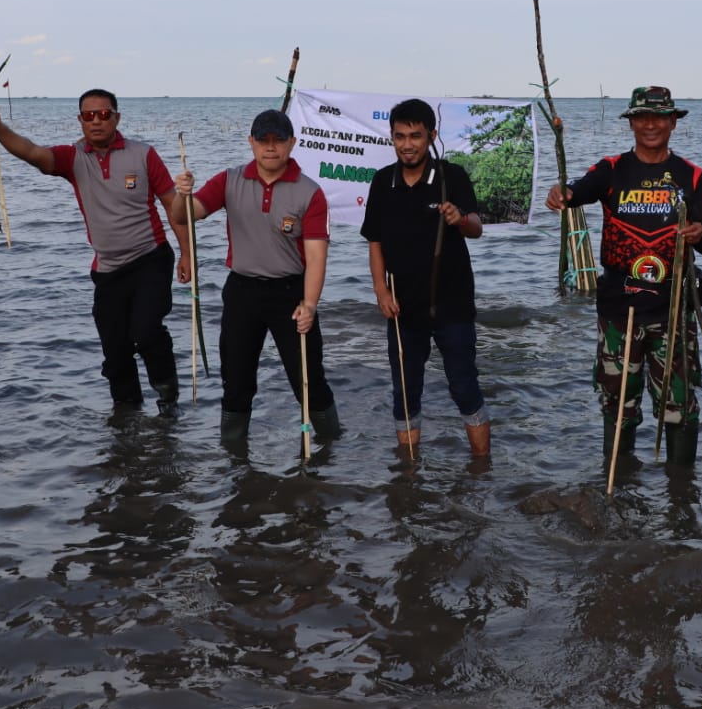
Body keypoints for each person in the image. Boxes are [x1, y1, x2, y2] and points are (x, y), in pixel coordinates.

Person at [0, 89, 186, 415]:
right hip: (108, 271)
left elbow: (173, 204)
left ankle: (168, 398)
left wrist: (187, 253)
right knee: (115, 349)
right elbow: (32, 152)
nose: (96, 121)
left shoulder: (143, 154)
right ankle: (126, 415)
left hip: (151, 258)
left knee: (146, 332)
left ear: (116, 117)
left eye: (104, 114)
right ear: (80, 120)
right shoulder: (73, 158)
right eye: (89, 116)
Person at [544, 85, 702, 466]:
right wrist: (560, 192)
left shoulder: (692, 176)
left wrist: (699, 233)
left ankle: (681, 488)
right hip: (618, 311)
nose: (650, 125)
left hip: (672, 310)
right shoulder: (611, 169)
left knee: (678, 405)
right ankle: (619, 481)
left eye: (659, 118)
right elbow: (576, 191)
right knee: (617, 402)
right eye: (642, 118)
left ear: (673, 123)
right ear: (631, 123)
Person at [174, 109, 340, 443]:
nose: (271, 147)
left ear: (292, 143)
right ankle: (234, 458)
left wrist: (309, 304)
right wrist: (182, 194)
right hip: (242, 292)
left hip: (291, 294)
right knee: (236, 381)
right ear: (251, 142)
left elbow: (316, 256)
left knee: (308, 379)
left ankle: (330, 447)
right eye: (263, 140)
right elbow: (184, 217)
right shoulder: (229, 179)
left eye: (279, 140)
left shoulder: (309, 192)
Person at [362, 98, 490, 456]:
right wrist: (380, 291)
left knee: (464, 389)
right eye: (400, 136)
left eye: (415, 136)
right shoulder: (382, 181)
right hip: (403, 309)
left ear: (432, 136)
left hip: (453, 306)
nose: (407, 144)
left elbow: (476, 228)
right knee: (405, 395)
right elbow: (374, 241)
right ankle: (407, 473)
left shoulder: (452, 176)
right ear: (392, 137)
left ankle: (482, 469)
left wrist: (460, 219)